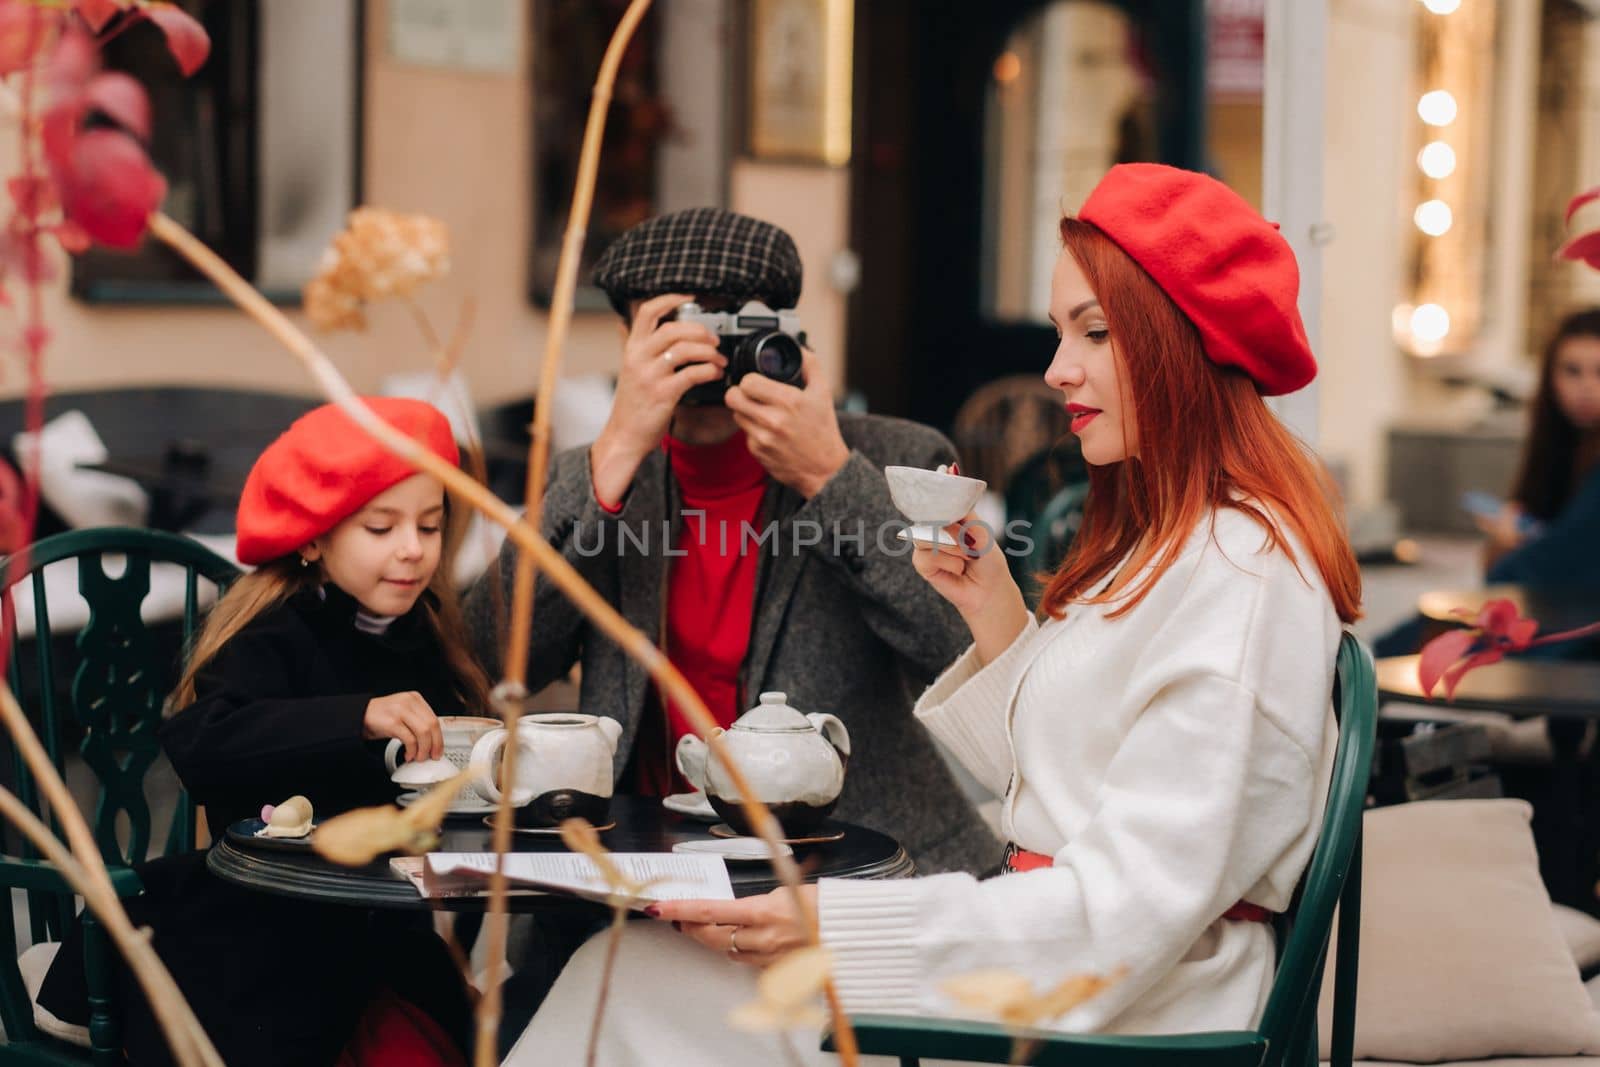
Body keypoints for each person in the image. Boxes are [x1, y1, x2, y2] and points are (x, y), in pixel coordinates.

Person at [504, 164, 1363, 1064]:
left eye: (1095, 332)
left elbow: (1122, 909)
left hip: (1112, 1022)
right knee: (620, 971)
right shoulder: (1183, 546)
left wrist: (830, 925)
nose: (1055, 369)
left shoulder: (1241, 581)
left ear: (1182, 344)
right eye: (1059, 331)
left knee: (624, 992)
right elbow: (1072, 781)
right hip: (1065, 983)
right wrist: (995, 613)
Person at [464, 207, 997, 876]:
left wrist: (831, 478)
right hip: (646, 861)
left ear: (785, 335)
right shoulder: (595, 473)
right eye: (679, 328)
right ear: (629, 337)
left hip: (853, 863)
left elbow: (965, 656)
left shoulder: (898, 458)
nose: (709, 355)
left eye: (731, 323)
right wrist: (614, 454)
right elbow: (484, 661)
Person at [37, 398, 485, 1066]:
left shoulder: (425, 638)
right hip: (259, 933)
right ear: (313, 537)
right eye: (380, 526)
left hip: (376, 933)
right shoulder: (274, 632)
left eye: (430, 524)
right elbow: (204, 742)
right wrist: (357, 715)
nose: (413, 549)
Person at [1480, 308, 1600, 588]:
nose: (1586, 387)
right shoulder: (1558, 446)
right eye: (1572, 371)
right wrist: (1505, 540)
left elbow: (1510, 573)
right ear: (1550, 378)